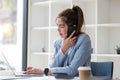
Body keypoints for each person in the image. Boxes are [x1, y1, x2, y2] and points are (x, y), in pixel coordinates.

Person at [24, 5, 91, 78]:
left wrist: (44, 71)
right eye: (57, 26)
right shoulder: (58, 43)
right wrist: (63, 49)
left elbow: (72, 70)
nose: (58, 30)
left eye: (61, 26)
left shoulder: (84, 40)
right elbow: (52, 67)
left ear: (72, 27)